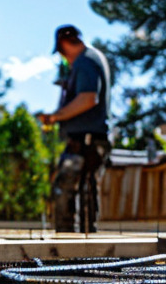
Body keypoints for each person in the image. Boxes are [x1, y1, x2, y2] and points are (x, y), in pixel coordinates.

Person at [37, 24, 112, 232]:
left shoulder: (85, 61)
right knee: (84, 193)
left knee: (67, 192)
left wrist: (55, 117)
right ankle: (80, 250)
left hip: (86, 141)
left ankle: (71, 251)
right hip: (89, 139)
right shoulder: (93, 58)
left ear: (63, 45)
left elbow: (88, 98)